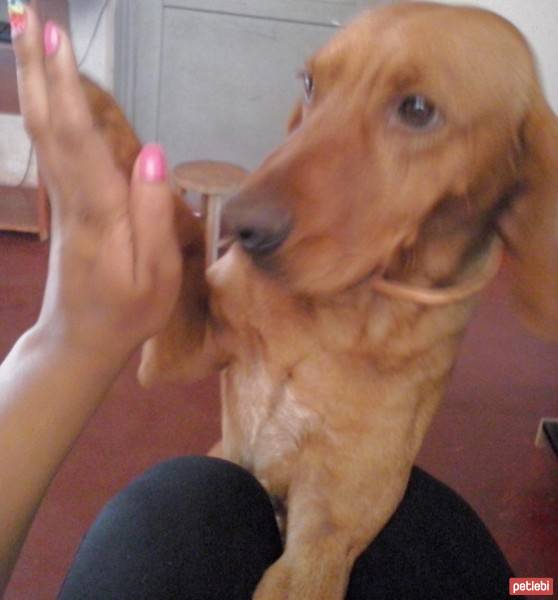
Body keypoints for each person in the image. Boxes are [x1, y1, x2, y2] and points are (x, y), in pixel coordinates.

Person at [0, 4, 519, 598]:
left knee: (527, 588)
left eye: (416, 110)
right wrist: (182, 248)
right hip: (225, 479)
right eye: (314, 86)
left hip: (267, 499)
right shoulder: (274, 263)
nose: (256, 207)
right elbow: (186, 352)